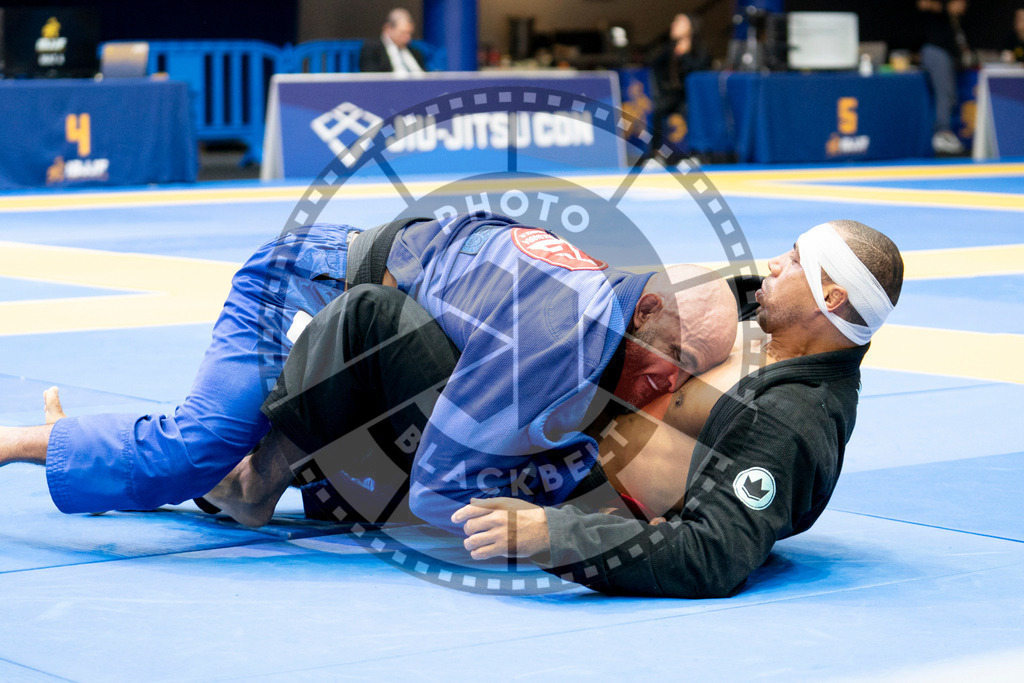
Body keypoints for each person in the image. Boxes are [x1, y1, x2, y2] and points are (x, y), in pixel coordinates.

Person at [0, 213, 736, 528]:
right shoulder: (554, 333)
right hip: (287, 281)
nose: (667, 385)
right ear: (644, 314)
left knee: (231, 465)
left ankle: (147, 458)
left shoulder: (620, 308)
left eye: (689, 372)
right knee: (201, 450)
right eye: (674, 363)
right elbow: (442, 487)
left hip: (384, 290)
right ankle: (22, 441)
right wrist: (554, 530)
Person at [452, 220, 904, 599]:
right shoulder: (755, 310)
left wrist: (555, 536)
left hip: (542, 477)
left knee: (382, 317)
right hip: (531, 403)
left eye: (794, 262)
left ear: (830, 299)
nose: (774, 264)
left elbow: (715, 553)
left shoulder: (792, 418)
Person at [646, 13, 711, 162]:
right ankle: (656, 155)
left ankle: (697, 153)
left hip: (692, 97)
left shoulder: (699, 49)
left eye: (680, 22)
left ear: (691, 27)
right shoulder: (669, 49)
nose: (674, 25)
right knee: (657, 112)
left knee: (691, 114)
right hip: (673, 95)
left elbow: (699, 71)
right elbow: (652, 62)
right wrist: (662, 88)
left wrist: (685, 55)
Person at [917, 0, 969, 155]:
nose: (964, 6)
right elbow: (923, 4)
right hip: (936, 53)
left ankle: (944, 133)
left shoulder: (955, 22)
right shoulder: (940, 12)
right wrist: (944, 7)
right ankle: (942, 134)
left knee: (950, 95)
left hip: (945, 56)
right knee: (944, 94)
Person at [359, 8, 427, 74]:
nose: (408, 37)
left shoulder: (415, 52)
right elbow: (371, 77)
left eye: (409, 33)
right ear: (388, 28)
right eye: (402, 33)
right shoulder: (372, 49)